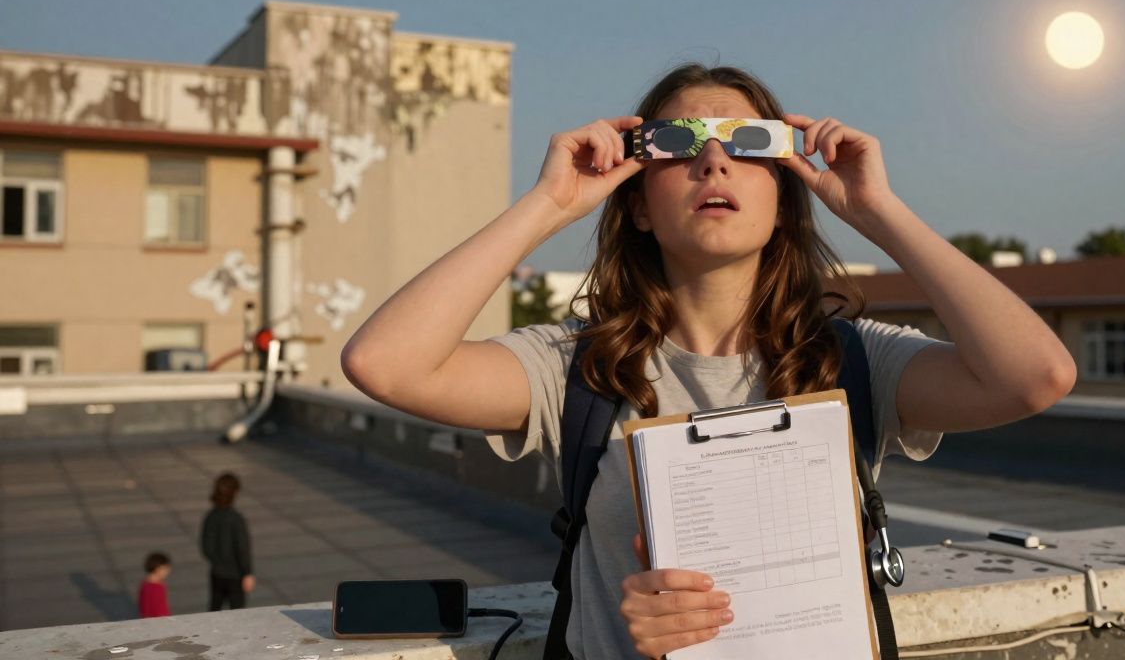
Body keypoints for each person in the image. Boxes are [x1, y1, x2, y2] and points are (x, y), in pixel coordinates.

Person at [342, 63, 1076, 659]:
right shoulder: (577, 367)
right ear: (636, 199)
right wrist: (547, 204)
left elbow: (1037, 376)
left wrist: (878, 211)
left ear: (785, 200)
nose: (715, 159)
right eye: (678, 143)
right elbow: (384, 364)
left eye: (748, 142)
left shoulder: (850, 361)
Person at [200, 472, 256, 610]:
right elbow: (242, 548)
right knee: (237, 610)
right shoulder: (236, 519)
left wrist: (217, 560)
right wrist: (247, 572)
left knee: (214, 607)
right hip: (235, 574)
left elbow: (206, 547)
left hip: (217, 572)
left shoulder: (210, 516)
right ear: (235, 493)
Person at [138, 551, 172, 618]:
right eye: (166, 568)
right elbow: (160, 609)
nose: (168, 571)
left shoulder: (145, 584)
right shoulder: (157, 588)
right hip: (158, 621)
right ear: (158, 568)